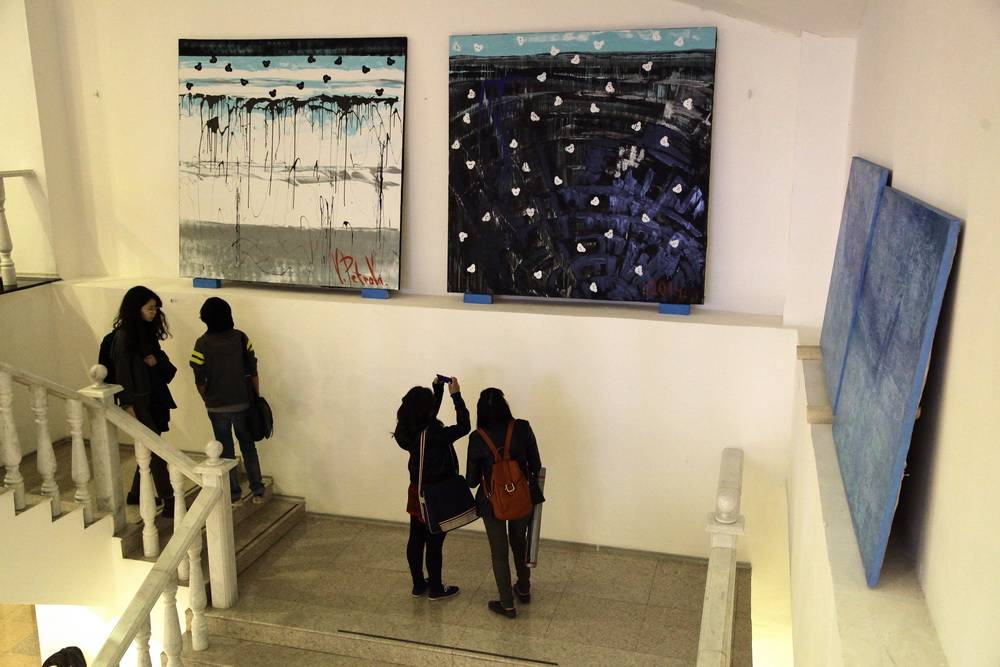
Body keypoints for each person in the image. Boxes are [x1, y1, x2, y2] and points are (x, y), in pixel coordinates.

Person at [466, 388, 543, 618]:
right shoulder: (522, 427)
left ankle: (507, 604)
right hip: (522, 497)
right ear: (505, 406)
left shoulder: (477, 437)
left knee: (499, 553)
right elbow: (536, 464)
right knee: (519, 543)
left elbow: (471, 480)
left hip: (491, 503)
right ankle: (524, 588)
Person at [393, 375, 469, 601]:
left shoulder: (405, 432)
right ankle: (436, 588)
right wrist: (456, 396)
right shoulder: (436, 434)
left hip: (416, 490)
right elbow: (464, 427)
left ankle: (418, 585)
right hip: (437, 494)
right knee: (434, 541)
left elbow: (424, 418)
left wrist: (438, 392)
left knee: (416, 538)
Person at [190, 297, 266, 505]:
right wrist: (255, 396)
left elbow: (199, 378)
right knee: (248, 447)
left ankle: (233, 495)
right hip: (243, 402)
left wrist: (207, 399)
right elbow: (253, 371)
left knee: (226, 453)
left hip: (216, 406)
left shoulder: (201, 344)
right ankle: (257, 490)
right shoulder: (241, 338)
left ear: (205, 319)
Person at [114, 286, 177, 516]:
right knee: (156, 449)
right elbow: (122, 375)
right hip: (140, 402)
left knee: (150, 446)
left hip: (153, 398)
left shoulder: (145, 334)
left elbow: (164, 369)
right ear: (136, 309)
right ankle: (169, 499)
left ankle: (135, 492)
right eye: (150, 308)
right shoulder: (124, 338)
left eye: (155, 308)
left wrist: (155, 362)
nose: (154, 312)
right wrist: (128, 406)